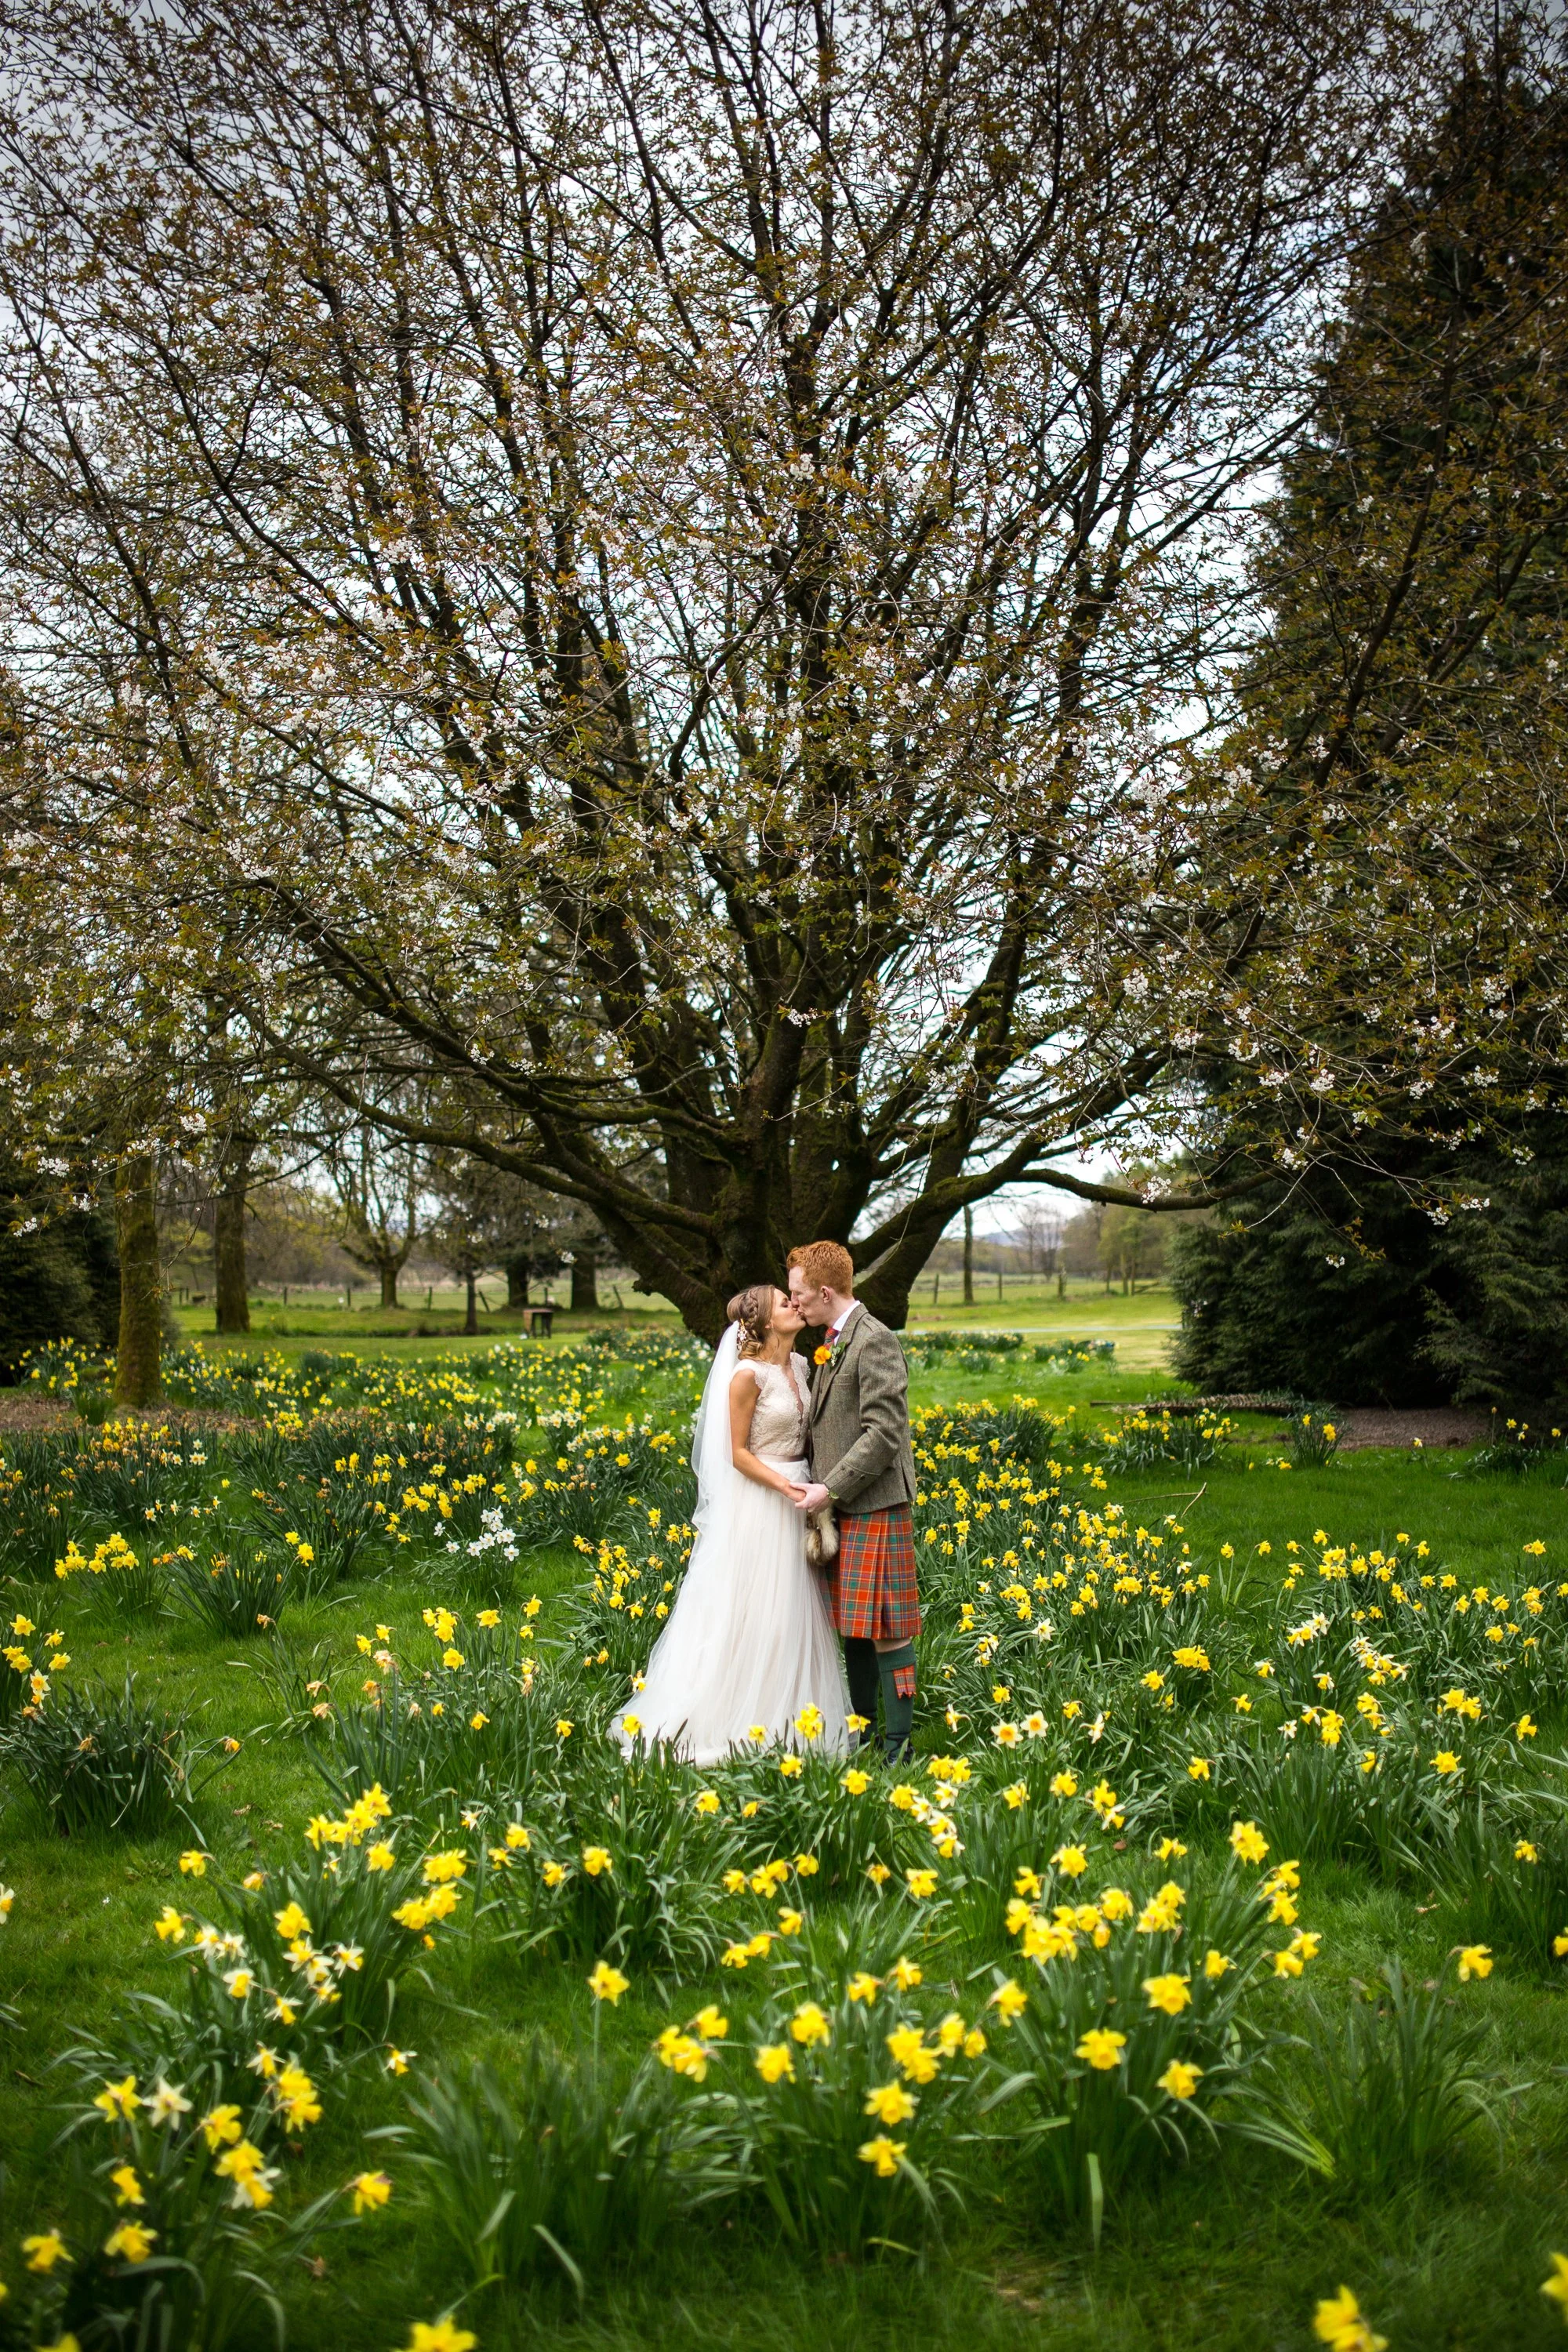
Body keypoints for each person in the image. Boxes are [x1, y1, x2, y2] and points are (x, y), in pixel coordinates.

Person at [611, 1283, 848, 1766]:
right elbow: (737, 1454)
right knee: (761, 1609)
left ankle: (795, 1716)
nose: (795, 1305)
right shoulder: (746, 1376)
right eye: (785, 1303)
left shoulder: (802, 1365)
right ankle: (736, 1714)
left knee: (797, 1612)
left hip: (802, 1494)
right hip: (761, 1502)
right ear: (762, 1323)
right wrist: (785, 1489)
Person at [786, 1240, 920, 1762]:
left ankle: (899, 1747)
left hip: (875, 1504)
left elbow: (884, 1434)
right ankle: (863, 1734)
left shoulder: (875, 1340)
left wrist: (830, 1487)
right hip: (841, 1507)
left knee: (888, 1627)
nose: (795, 1304)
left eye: (799, 1295)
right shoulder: (832, 1340)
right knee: (856, 1628)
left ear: (824, 1292)